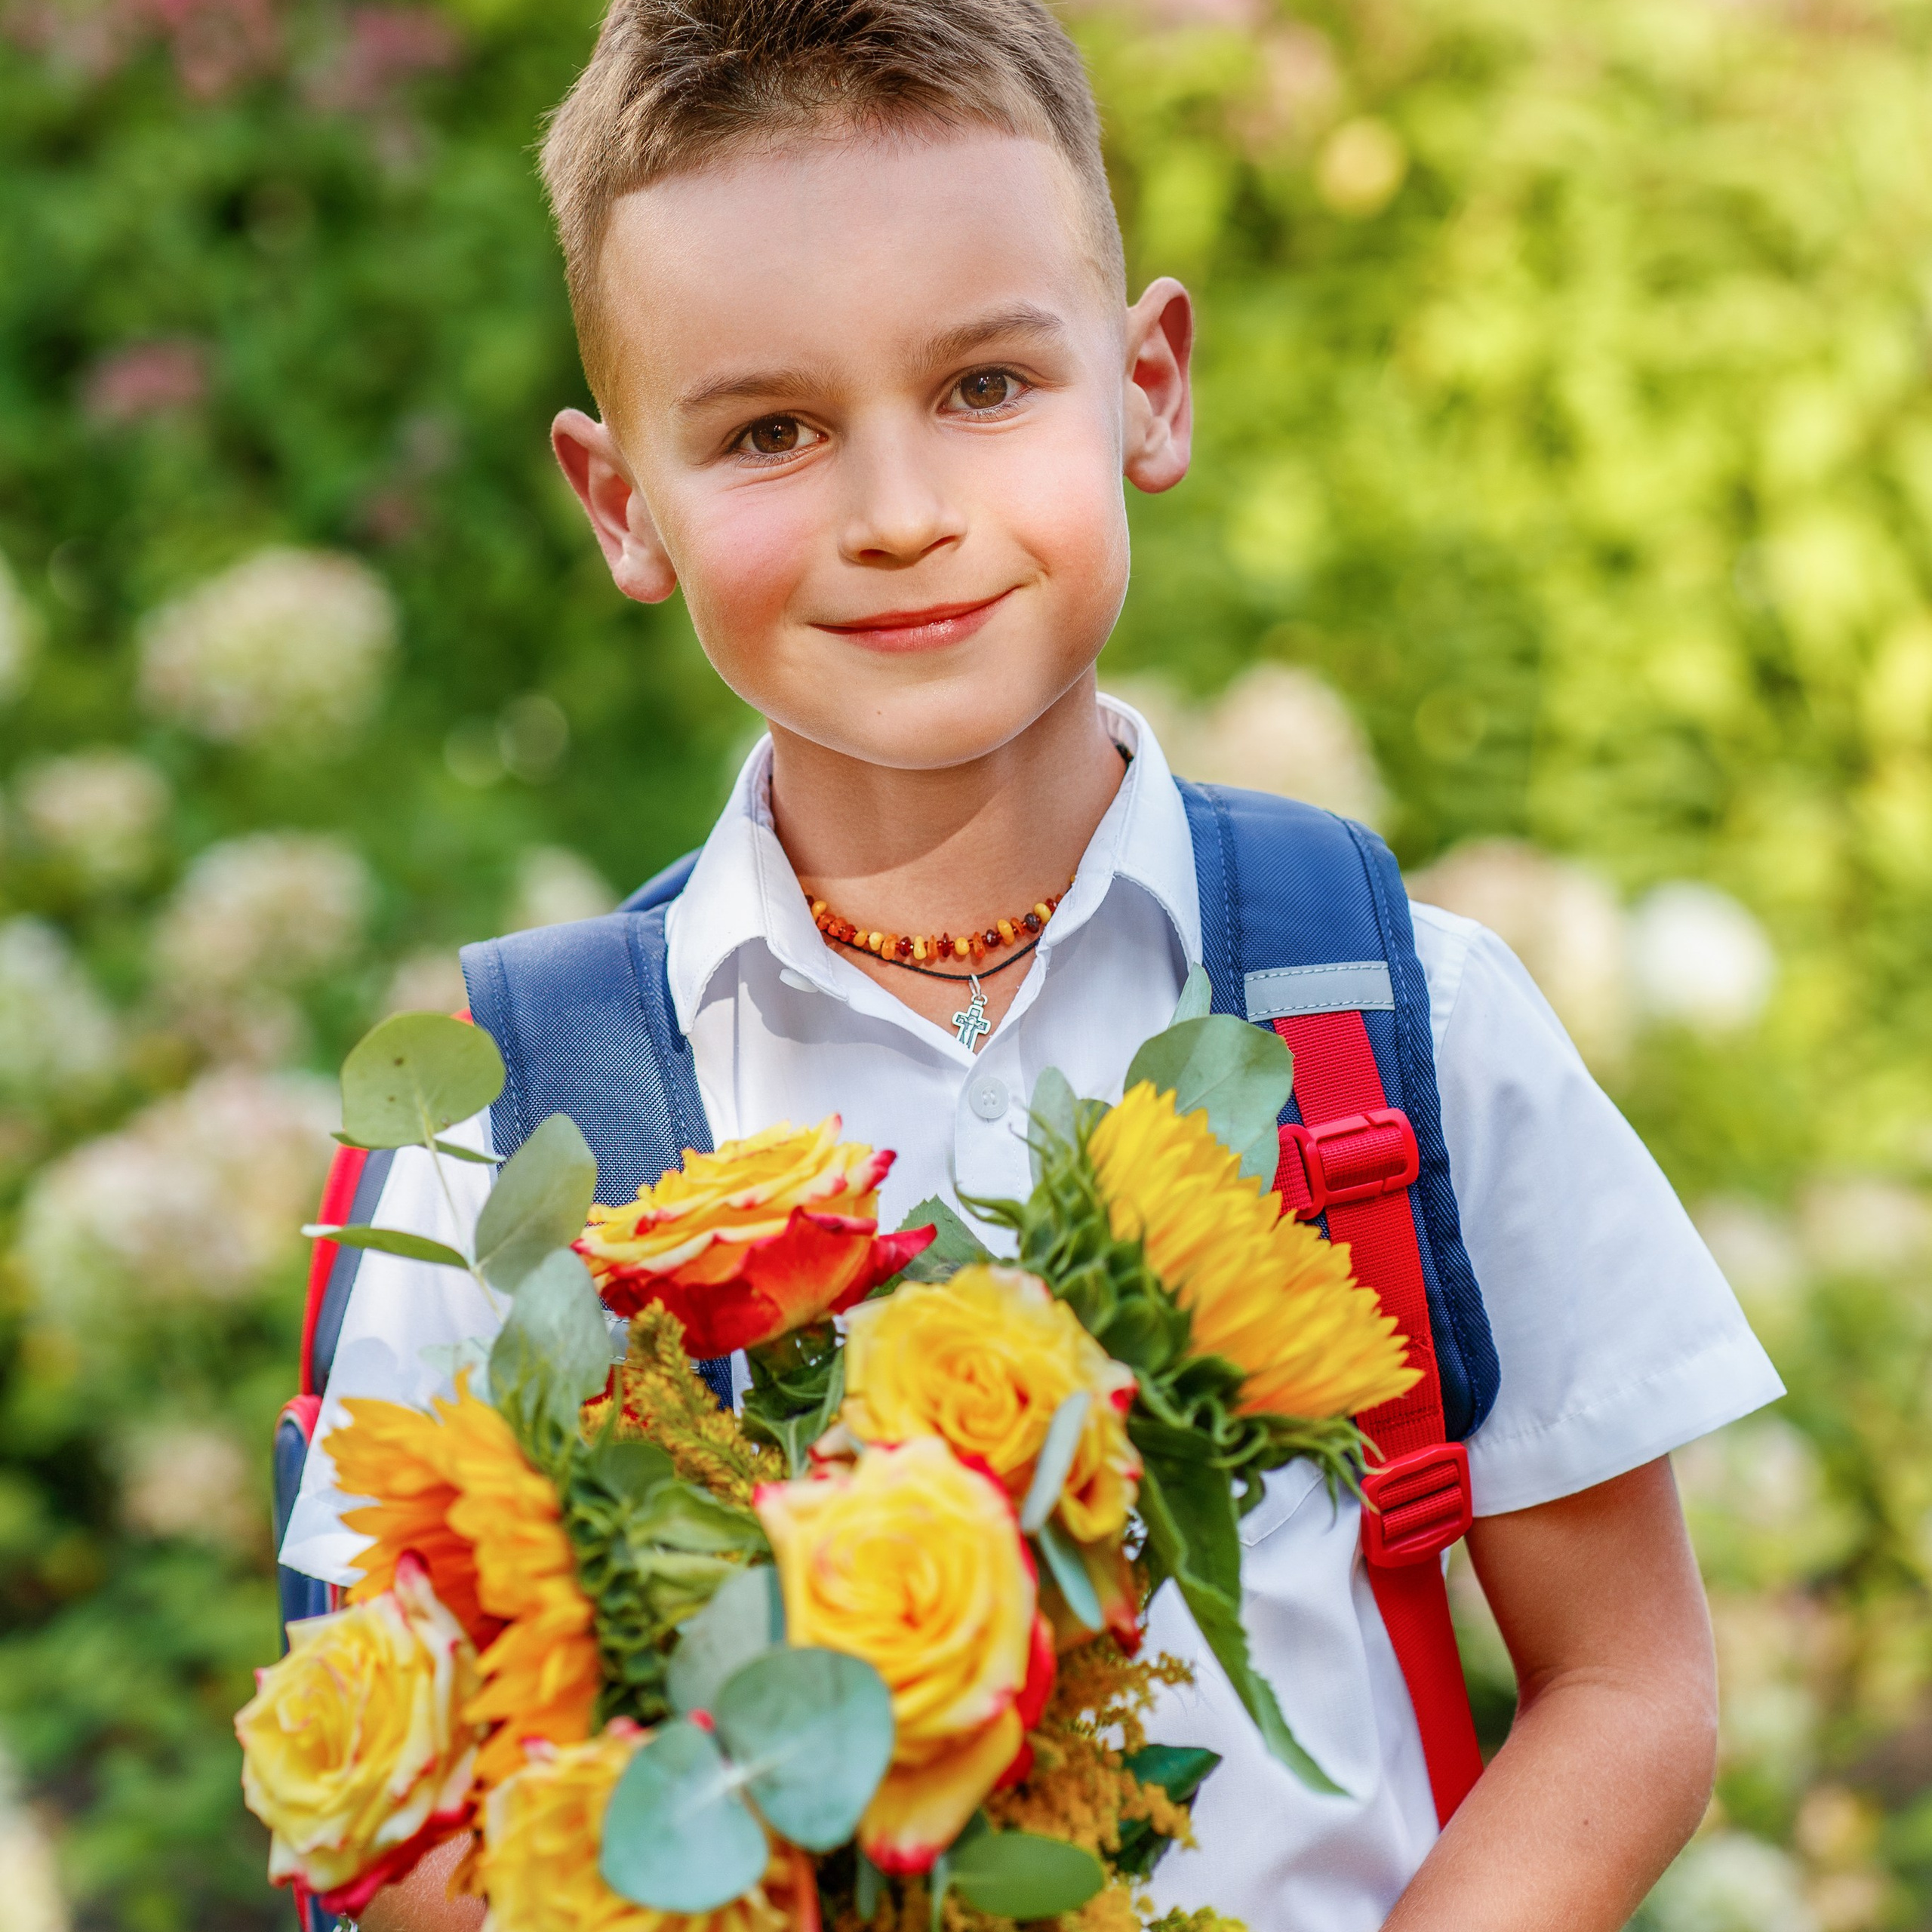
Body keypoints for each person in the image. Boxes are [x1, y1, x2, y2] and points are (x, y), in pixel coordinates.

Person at [276, 2, 1783, 1926]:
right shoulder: (518, 1122)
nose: (898, 513)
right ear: (615, 500)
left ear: (1146, 384)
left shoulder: (1391, 1014)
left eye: (984, 386)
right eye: (769, 431)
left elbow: (1628, 1682)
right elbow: (386, 1802)